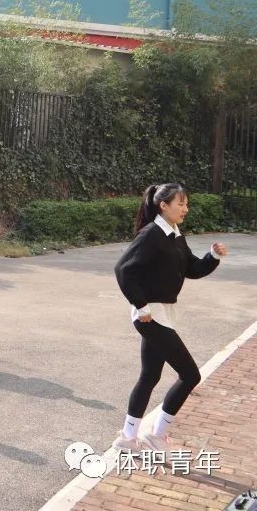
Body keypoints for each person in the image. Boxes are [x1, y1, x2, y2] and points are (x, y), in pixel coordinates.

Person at [112, 183, 227, 453]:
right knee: (190, 375)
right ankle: (157, 436)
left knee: (150, 375)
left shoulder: (174, 234)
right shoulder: (151, 234)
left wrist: (212, 256)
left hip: (163, 313)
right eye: (180, 204)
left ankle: (128, 438)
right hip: (150, 316)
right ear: (163, 205)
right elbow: (123, 269)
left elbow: (192, 268)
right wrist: (141, 305)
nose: (185, 209)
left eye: (187, 204)